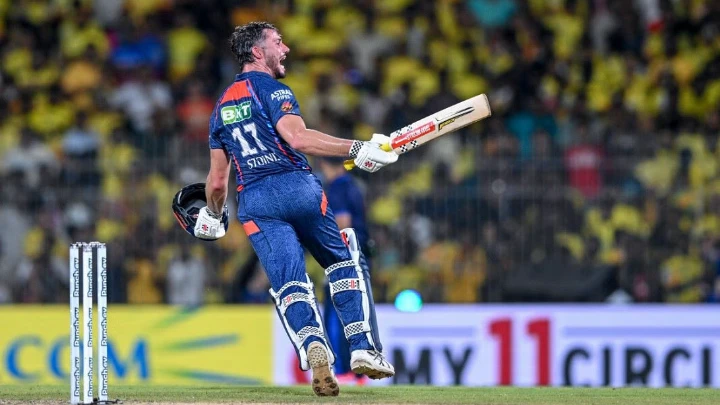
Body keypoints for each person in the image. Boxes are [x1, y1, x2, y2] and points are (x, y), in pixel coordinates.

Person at [193, 22, 397, 397]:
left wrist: (213, 214)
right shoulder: (273, 89)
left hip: (254, 201)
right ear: (258, 52)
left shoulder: (219, 108)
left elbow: (218, 183)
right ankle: (363, 348)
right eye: (277, 42)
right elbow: (298, 138)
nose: (285, 48)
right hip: (296, 186)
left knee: (290, 282)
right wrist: (359, 148)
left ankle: (312, 344)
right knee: (342, 259)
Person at [317, 156, 379, 385]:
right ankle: (358, 372)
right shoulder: (353, 186)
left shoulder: (338, 188)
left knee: (337, 316)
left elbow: (342, 226)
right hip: (359, 255)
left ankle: (344, 371)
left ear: (325, 165)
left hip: (344, 259)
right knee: (357, 313)